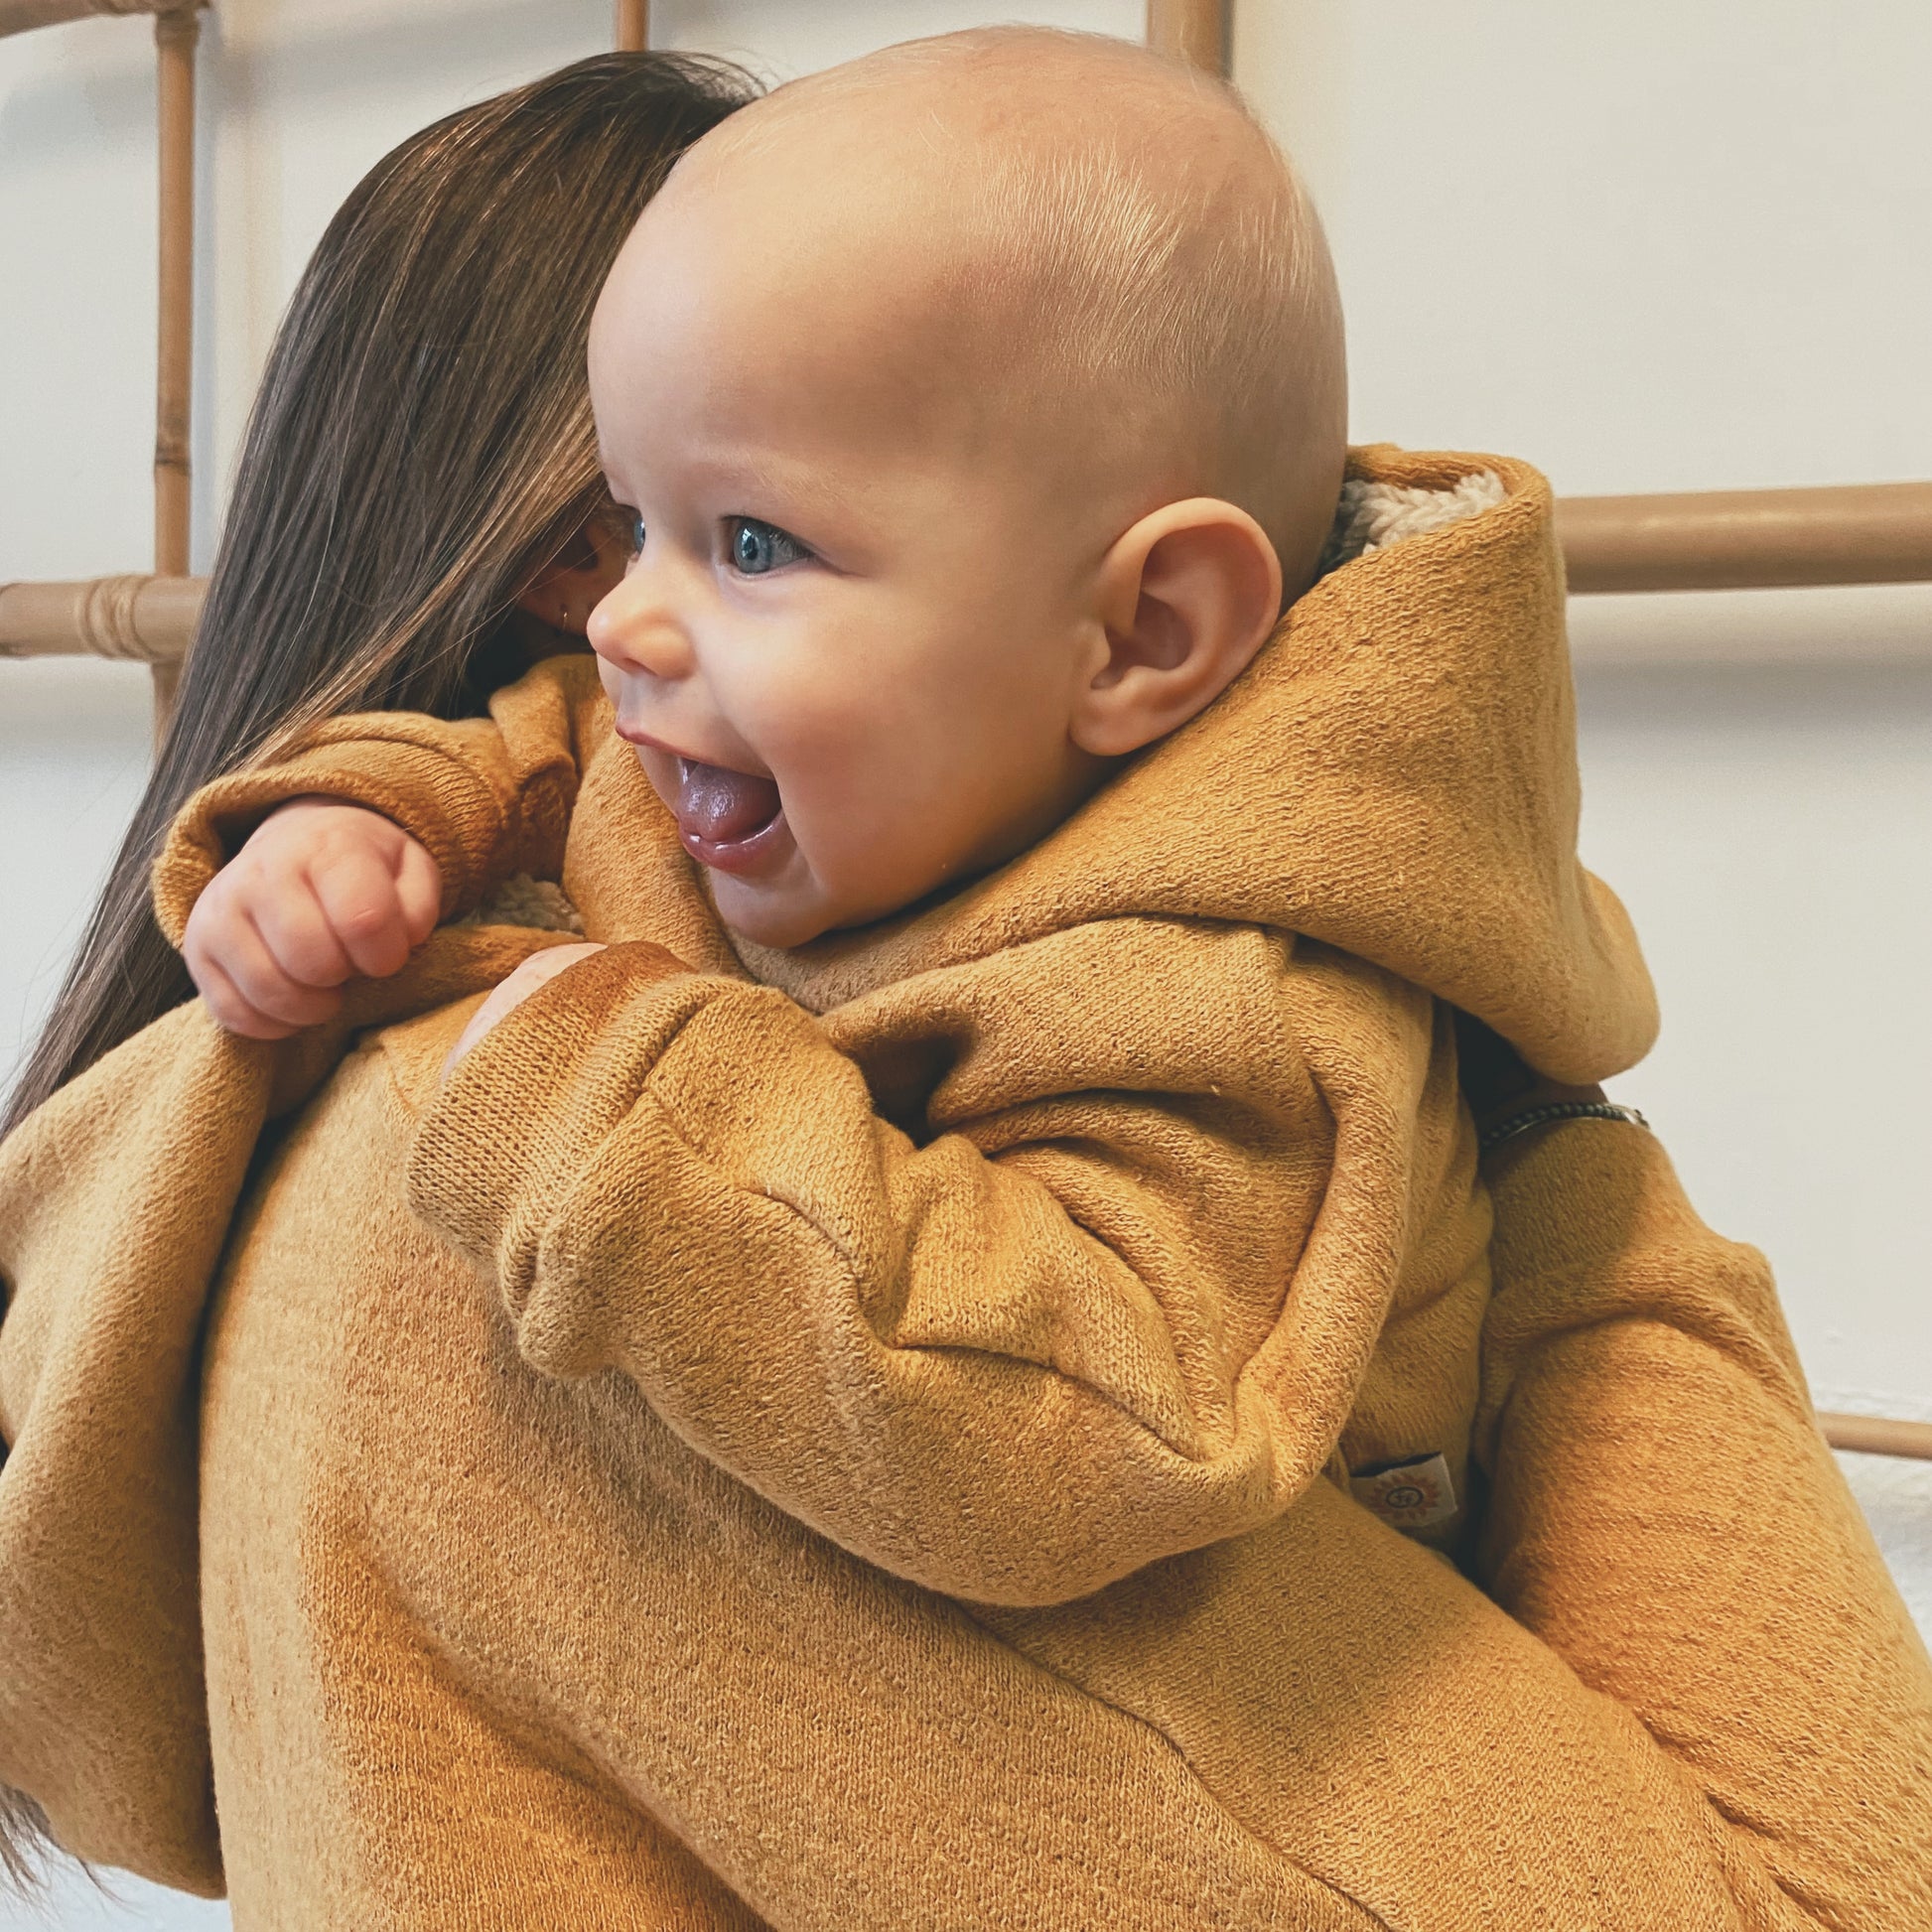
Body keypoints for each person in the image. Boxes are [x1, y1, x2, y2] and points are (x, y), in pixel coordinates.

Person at [134, 27, 1932, 1930]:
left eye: (749, 542)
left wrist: (615, 1095)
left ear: (1142, 633)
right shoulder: (684, 819)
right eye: (622, 533)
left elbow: (1078, 1416)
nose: (628, 620)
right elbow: (532, 743)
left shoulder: (1212, 1006)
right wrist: (353, 813)